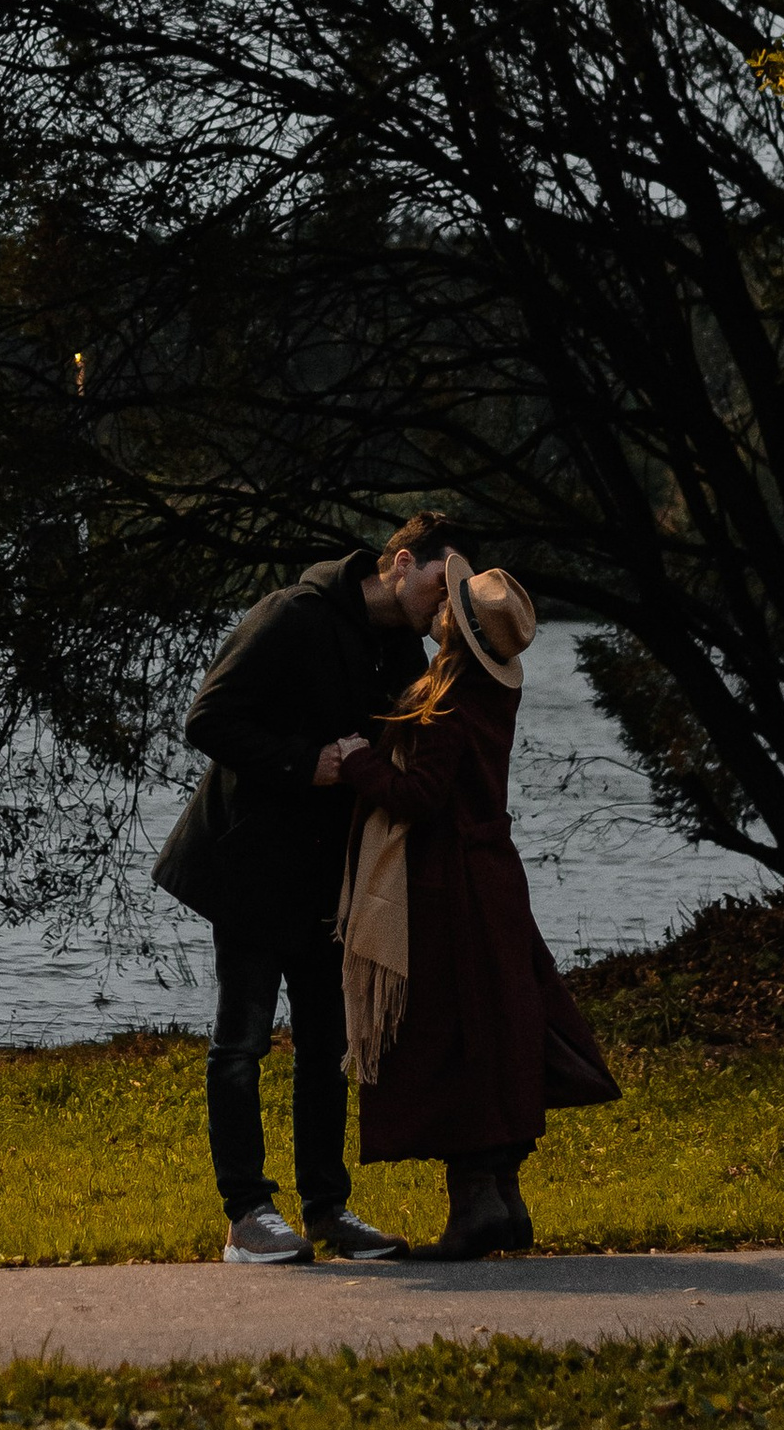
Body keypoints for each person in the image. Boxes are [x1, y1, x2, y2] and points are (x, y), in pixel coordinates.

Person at [152, 515, 459, 1263]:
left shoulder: (405, 649)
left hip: (328, 873)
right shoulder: (293, 614)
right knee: (242, 1042)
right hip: (250, 863)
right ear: (401, 562)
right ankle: (247, 1213)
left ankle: (327, 1208)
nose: (444, 602)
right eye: (438, 583)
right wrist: (306, 761)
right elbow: (208, 718)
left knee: (326, 1046)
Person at [328, 551, 620, 1259]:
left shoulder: (448, 696)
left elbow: (420, 797)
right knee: (500, 1029)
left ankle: (475, 1206)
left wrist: (357, 759)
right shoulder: (494, 694)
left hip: (448, 884)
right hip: (493, 875)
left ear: (455, 625)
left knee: (454, 1037)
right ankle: (503, 1197)